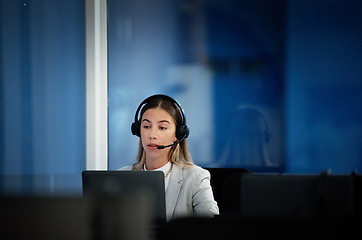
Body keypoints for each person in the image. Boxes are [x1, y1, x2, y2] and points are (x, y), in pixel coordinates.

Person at [120, 94, 219, 221]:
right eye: (146, 126)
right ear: (138, 131)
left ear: (177, 135)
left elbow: (213, 228)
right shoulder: (121, 177)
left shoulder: (195, 178)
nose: (152, 135)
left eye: (162, 127)